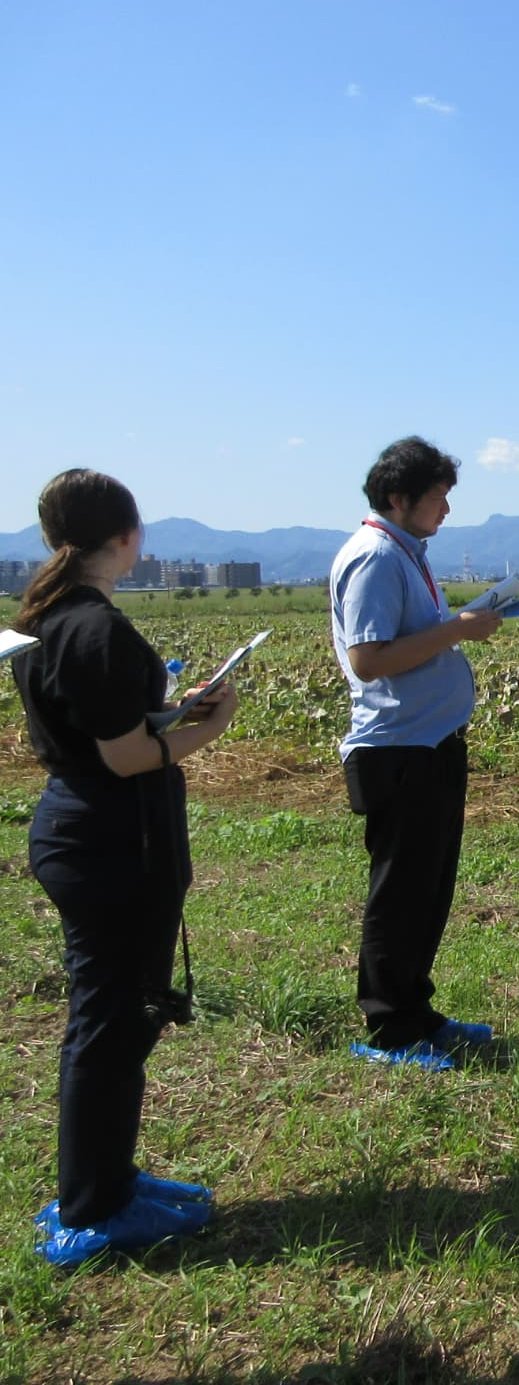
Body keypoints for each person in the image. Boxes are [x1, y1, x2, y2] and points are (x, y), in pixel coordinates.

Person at [11, 470, 238, 1265]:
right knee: (109, 1024)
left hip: (78, 827)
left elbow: (97, 732)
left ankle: (103, 1178)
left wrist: (169, 710)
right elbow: (129, 756)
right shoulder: (96, 629)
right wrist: (210, 726)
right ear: (127, 537)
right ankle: (96, 1205)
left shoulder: (44, 619)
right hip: (112, 839)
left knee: (103, 1017)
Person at [329, 437, 502, 1071]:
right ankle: (389, 1028)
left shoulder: (406, 553)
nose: (446, 511)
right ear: (398, 499)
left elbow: (411, 642)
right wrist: (457, 629)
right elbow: (369, 661)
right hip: (399, 752)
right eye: (437, 498)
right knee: (400, 893)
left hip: (428, 746)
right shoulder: (376, 558)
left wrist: (455, 627)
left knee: (427, 891)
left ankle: (416, 1011)